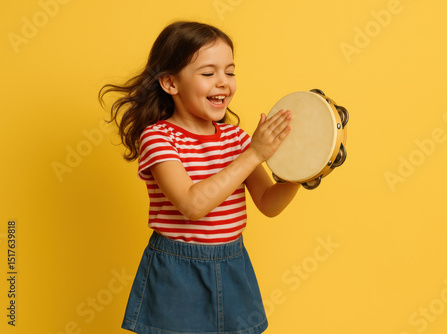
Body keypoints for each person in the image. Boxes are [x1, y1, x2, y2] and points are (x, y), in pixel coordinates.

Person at [99, 21, 300, 334]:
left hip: (233, 263)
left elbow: (268, 202)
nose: (223, 83)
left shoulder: (236, 139)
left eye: (229, 72)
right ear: (170, 83)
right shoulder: (159, 138)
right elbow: (192, 205)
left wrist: (303, 173)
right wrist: (254, 155)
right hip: (178, 272)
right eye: (209, 73)